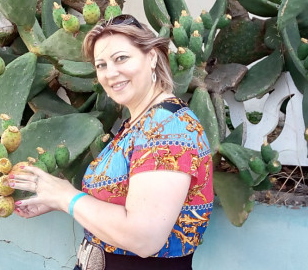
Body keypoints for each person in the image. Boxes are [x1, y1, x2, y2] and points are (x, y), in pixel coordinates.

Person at [11, 14, 213, 270]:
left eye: (121, 58)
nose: (111, 73)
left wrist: (66, 196)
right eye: (101, 65)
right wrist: (57, 201)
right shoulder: (141, 123)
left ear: (151, 57)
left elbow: (144, 238)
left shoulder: (167, 128)